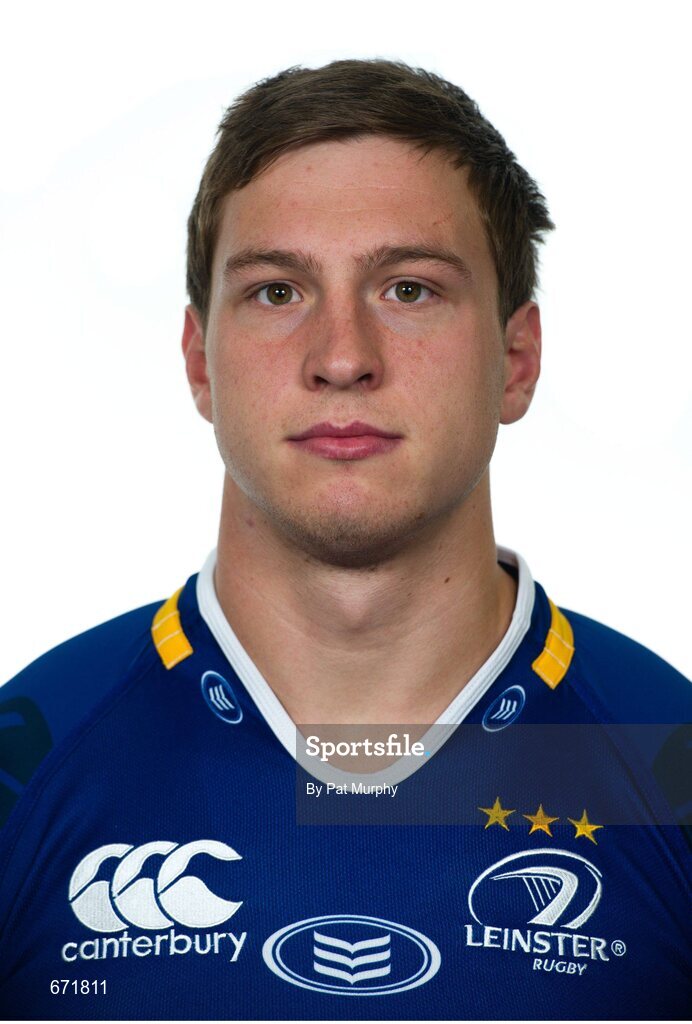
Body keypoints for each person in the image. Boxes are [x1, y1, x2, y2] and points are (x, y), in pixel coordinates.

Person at [0, 59, 689, 1021]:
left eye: (408, 289)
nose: (342, 358)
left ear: (517, 361)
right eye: (278, 292)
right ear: (199, 361)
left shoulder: (673, 762)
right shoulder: (25, 760)